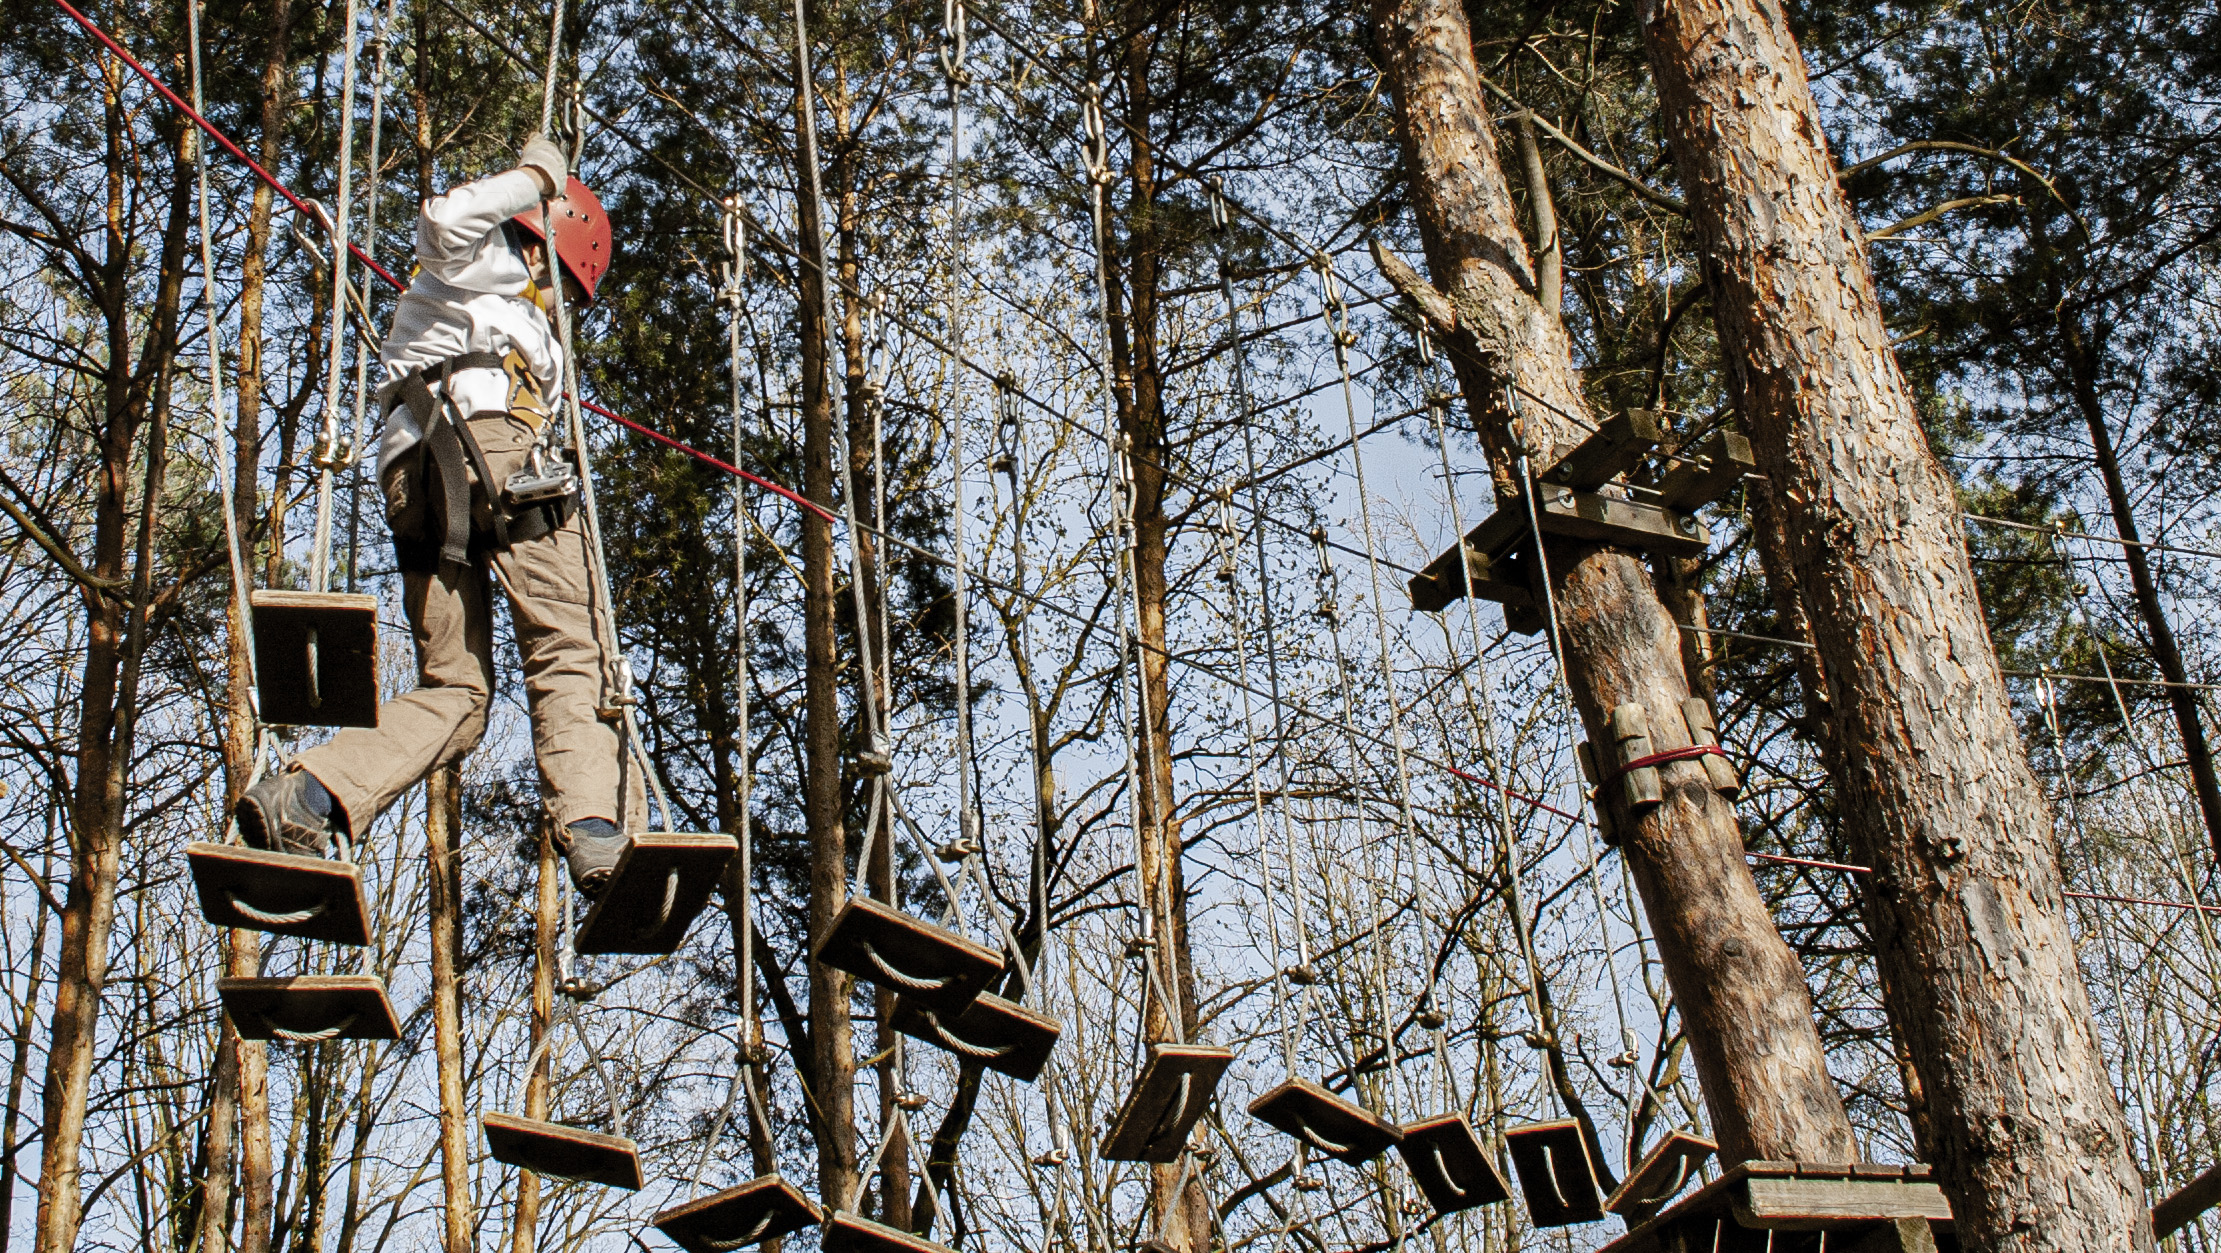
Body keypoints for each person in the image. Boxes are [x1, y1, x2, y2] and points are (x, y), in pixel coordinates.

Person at [236, 136, 637, 894]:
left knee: (457, 697)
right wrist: (534, 178)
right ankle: (593, 825)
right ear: (546, 250)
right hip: (492, 454)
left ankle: (310, 794)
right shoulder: (493, 265)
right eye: (564, 292)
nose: (558, 310)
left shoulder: (468, 307)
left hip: (419, 487)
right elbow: (446, 220)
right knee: (567, 645)